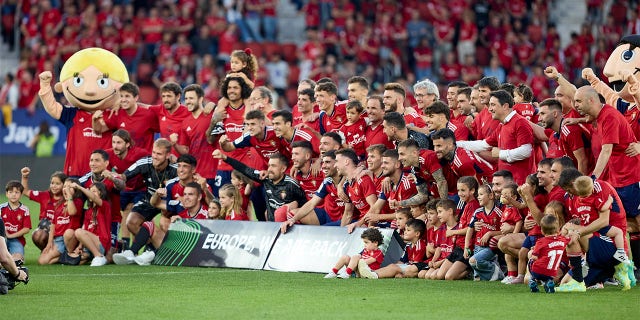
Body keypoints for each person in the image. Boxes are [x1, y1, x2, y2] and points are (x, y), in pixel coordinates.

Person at [115, 182, 208, 266]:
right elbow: (155, 203)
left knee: (174, 231)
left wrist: (184, 222)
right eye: (185, 194)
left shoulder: (206, 213)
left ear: (199, 197)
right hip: (175, 248)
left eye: (190, 194)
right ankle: (131, 253)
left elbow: (206, 235)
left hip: (193, 252)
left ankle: (151, 254)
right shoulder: (180, 205)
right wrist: (156, 194)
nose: (186, 198)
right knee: (149, 225)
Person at [457, 90, 535, 184]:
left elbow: (526, 151)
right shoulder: (502, 125)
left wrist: (501, 153)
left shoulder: (520, 122)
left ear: (505, 106)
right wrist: (457, 144)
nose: (489, 109)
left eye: (493, 105)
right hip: (507, 184)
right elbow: (484, 144)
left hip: (520, 184)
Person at [213, 150, 307, 222]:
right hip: (272, 227)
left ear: (283, 169)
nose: (269, 169)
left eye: (273, 166)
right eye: (269, 165)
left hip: (289, 227)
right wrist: (225, 158)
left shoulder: (291, 185)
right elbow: (245, 169)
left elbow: (304, 204)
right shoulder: (265, 178)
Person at [120, 138, 178, 238]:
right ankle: (150, 249)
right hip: (150, 199)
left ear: (168, 155)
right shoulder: (145, 162)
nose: (154, 157)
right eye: (153, 152)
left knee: (166, 225)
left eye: (159, 154)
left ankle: (163, 250)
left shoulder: (176, 169)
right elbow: (124, 176)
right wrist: (115, 177)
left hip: (169, 204)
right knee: (131, 222)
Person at [105, 129, 149, 251]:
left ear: (128, 144)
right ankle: (126, 246)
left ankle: (138, 247)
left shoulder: (140, 154)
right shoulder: (108, 155)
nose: (115, 146)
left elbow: (153, 160)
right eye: (113, 142)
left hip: (141, 189)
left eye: (119, 142)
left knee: (133, 216)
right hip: (123, 190)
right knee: (124, 214)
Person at [280, 150, 344, 231]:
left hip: (351, 221)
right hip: (330, 216)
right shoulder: (327, 181)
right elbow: (312, 203)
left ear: (338, 163)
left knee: (322, 231)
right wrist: (292, 220)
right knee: (290, 215)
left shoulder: (348, 182)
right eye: (323, 162)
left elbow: (349, 213)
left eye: (327, 162)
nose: (323, 166)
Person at [171, 84, 218, 189]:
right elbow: (186, 150)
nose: (188, 101)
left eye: (191, 98)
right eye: (186, 98)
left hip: (215, 172)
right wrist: (175, 145)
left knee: (217, 204)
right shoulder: (185, 122)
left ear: (201, 99)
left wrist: (213, 104)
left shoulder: (212, 115)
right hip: (196, 174)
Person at [92, 82, 159, 152]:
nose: (123, 100)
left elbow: (163, 130)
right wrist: (95, 120)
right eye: (121, 96)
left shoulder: (148, 115)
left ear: (136, 98)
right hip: (124, 161)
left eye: (127, 96)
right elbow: (99, 130)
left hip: (143, 160)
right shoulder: (118, 113)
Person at [358, 218, 427, 279]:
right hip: (409, 266)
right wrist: (396, 265)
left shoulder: (420, 244)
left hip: (416, 267)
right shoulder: (408, 245)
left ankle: (374, 275)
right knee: (393, 266)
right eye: (405, 230)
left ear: (417, 234)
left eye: (408, 230)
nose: (405, 232)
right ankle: (371, 273)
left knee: (395, 268)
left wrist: (397, 267)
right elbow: (402, 260)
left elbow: (416, 263)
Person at [65, 182, 111, 267]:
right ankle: (90, 256)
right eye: (90, 191)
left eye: (94, 191)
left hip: (101, 242)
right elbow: (85, 229)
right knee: (77, 261)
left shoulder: (104, 205)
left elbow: (93, 198)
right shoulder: (88, 211)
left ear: (101, 193)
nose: (91, 193)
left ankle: (98, 256)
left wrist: (79, 187)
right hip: (90, 244)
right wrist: (80, 246)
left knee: (78, 231)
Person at [464, 183, 504, 281]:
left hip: (491, 248)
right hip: (477, 246)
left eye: (481, 194)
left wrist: (490, 233)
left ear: (491, 196)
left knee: (473, 261)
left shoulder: (499, 212)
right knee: (477, 278)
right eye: (478, 195)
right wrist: (466, 247)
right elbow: (470, 229)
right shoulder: (478, 212)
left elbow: (504, 232)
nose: (478, 197)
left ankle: (498, 273)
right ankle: (494, 268)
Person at [334, 149, 378, 232]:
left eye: (337, 161)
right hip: (363, 223)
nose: (334, 165)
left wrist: (369, 232)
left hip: (376, 224)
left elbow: (375, 207)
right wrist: (341, 234)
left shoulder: (363, 179)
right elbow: (348, 214)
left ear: (346, 161)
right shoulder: (347, 185)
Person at [528, 214, 572, 293]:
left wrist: (534, 251)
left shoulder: (540, 241)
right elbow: (570, 239)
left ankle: (533, 280)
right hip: (552, 273)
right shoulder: (563, 240)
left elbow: (534, 257)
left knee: (531, 260)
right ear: (558, 230)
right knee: (548, 274)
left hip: (538, 271)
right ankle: (549, 282)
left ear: (542, 231)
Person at [1, 181, 31, 262]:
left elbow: (26, 229)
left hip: (17, 240)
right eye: (10, 192)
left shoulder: (25, 209)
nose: (13, 194)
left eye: (17, 192)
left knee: (18, 257)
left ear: (21, 195)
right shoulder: (1, 208)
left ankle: (12, 261)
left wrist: (11, 236)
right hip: (2, 238)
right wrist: (4, 234)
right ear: (7, 194)